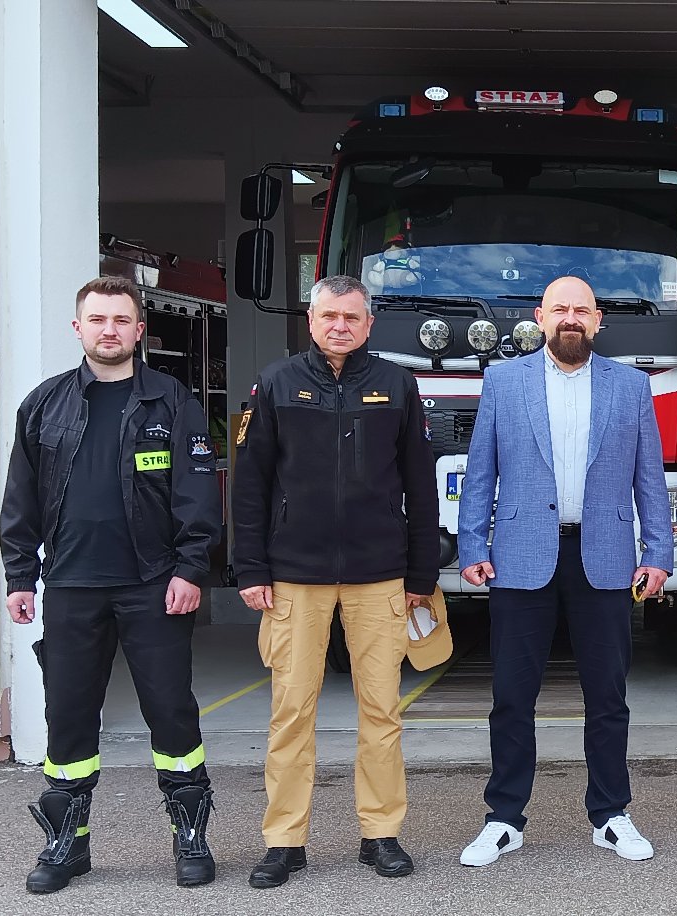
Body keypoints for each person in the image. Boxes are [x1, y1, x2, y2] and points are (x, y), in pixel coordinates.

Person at [0, 276, 222, 893]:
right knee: (69, 715)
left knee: (170, 711)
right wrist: (20, 575)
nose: (109, 330)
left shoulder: (172, 402)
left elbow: (198, 495)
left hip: (153, 584)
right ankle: (67, 843)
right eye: (97, 320)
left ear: (139, 329)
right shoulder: (44, 405)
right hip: (71, 585)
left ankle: (190, 836)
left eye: (121, 320)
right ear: (78, 328)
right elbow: (20, 498)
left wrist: (190, 568)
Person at [455, 276, 673, 866]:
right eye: (560, 309)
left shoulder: (631, 386)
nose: (570, 318)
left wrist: (657, 553)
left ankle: (611, 815)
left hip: (603, 557)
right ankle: (504, 819)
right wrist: (471, 543)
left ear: (598, 320)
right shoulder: (504, 381)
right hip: (521, 555)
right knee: (511, 697)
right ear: (540, 317)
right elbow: (481, 470)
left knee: (608, 697)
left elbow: (649, 476)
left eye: (581, 309)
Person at [232, 274, 440, 887]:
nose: (340, 326)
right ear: (311, 320)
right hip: (294, 576)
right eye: (330, 316)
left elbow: (420, 485)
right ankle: (284, 841)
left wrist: (422, 571)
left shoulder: (398, 384)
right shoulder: (276, 383)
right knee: (291, 712)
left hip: (381, 575)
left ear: (369, 324)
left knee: (382, 710)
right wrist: (251, 567)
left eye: (352, 317)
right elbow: (250, 484)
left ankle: (381, 834)